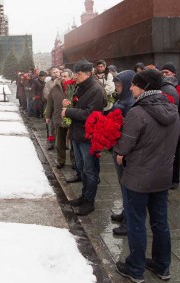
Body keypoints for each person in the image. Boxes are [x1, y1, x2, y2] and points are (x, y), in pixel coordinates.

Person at [113, 69, 180, 283]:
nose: (130, 88)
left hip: (138, 178)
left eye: (134, 84)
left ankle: (135, 268)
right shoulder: (172, 109)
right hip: (162, 176)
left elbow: (124, 145)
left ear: (143, 87)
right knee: (160, 222)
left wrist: (118, 148)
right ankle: (162, 265)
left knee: (136, 222)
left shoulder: (137, 112)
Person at [62, 60, 105, 215]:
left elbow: (90, 114)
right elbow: (78, 106)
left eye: (78, 74)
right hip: (78, 134)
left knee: (90, 170)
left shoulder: (96, 90)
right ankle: (84, 196)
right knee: (82, 169)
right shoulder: (81, 87)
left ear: (87, 73)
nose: (75, 76)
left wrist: (69, 112)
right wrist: (69, 104)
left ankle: (89, 202)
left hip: (89, 137)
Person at [109, 70, 136, 236]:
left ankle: (129, 221)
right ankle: (125, 213)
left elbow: (130, 131)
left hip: (124, 150)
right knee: (122, 184)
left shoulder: (131, 103)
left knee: (127, 186)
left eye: (119, 84)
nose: (117, 87)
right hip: (118, 146)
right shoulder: (122, 99)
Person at [160, 63, 180, 190]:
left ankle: (175, 179)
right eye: (162, 72)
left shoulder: (178, 87)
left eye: (167, 72)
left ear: (174, 73)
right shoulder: (162, 86)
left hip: (176, 122)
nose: (164, 75)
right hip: (168, 121)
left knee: (174, 152)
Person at [45, 69, 71, 168]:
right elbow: (50, 103)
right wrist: (48, 116)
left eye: (66, 76)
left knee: (72, 143)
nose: (63, 78)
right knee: (59, 142)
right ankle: (61, 161)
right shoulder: (55, 88)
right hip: (58, 117)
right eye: (62, 76)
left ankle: (74, 162)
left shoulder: (74, 87)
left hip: (71, 118)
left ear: (70, 77)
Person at [43, 67, 61, 149]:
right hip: (51, 107)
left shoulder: (63, 81)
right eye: (54, 72)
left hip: (62, 107)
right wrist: (53, 98)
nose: (56, 73)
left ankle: (61, 143)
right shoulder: (48, 83)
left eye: (57, 72)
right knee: (51, 127)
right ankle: (51, 143)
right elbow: (46, 93)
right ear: (51, 74)